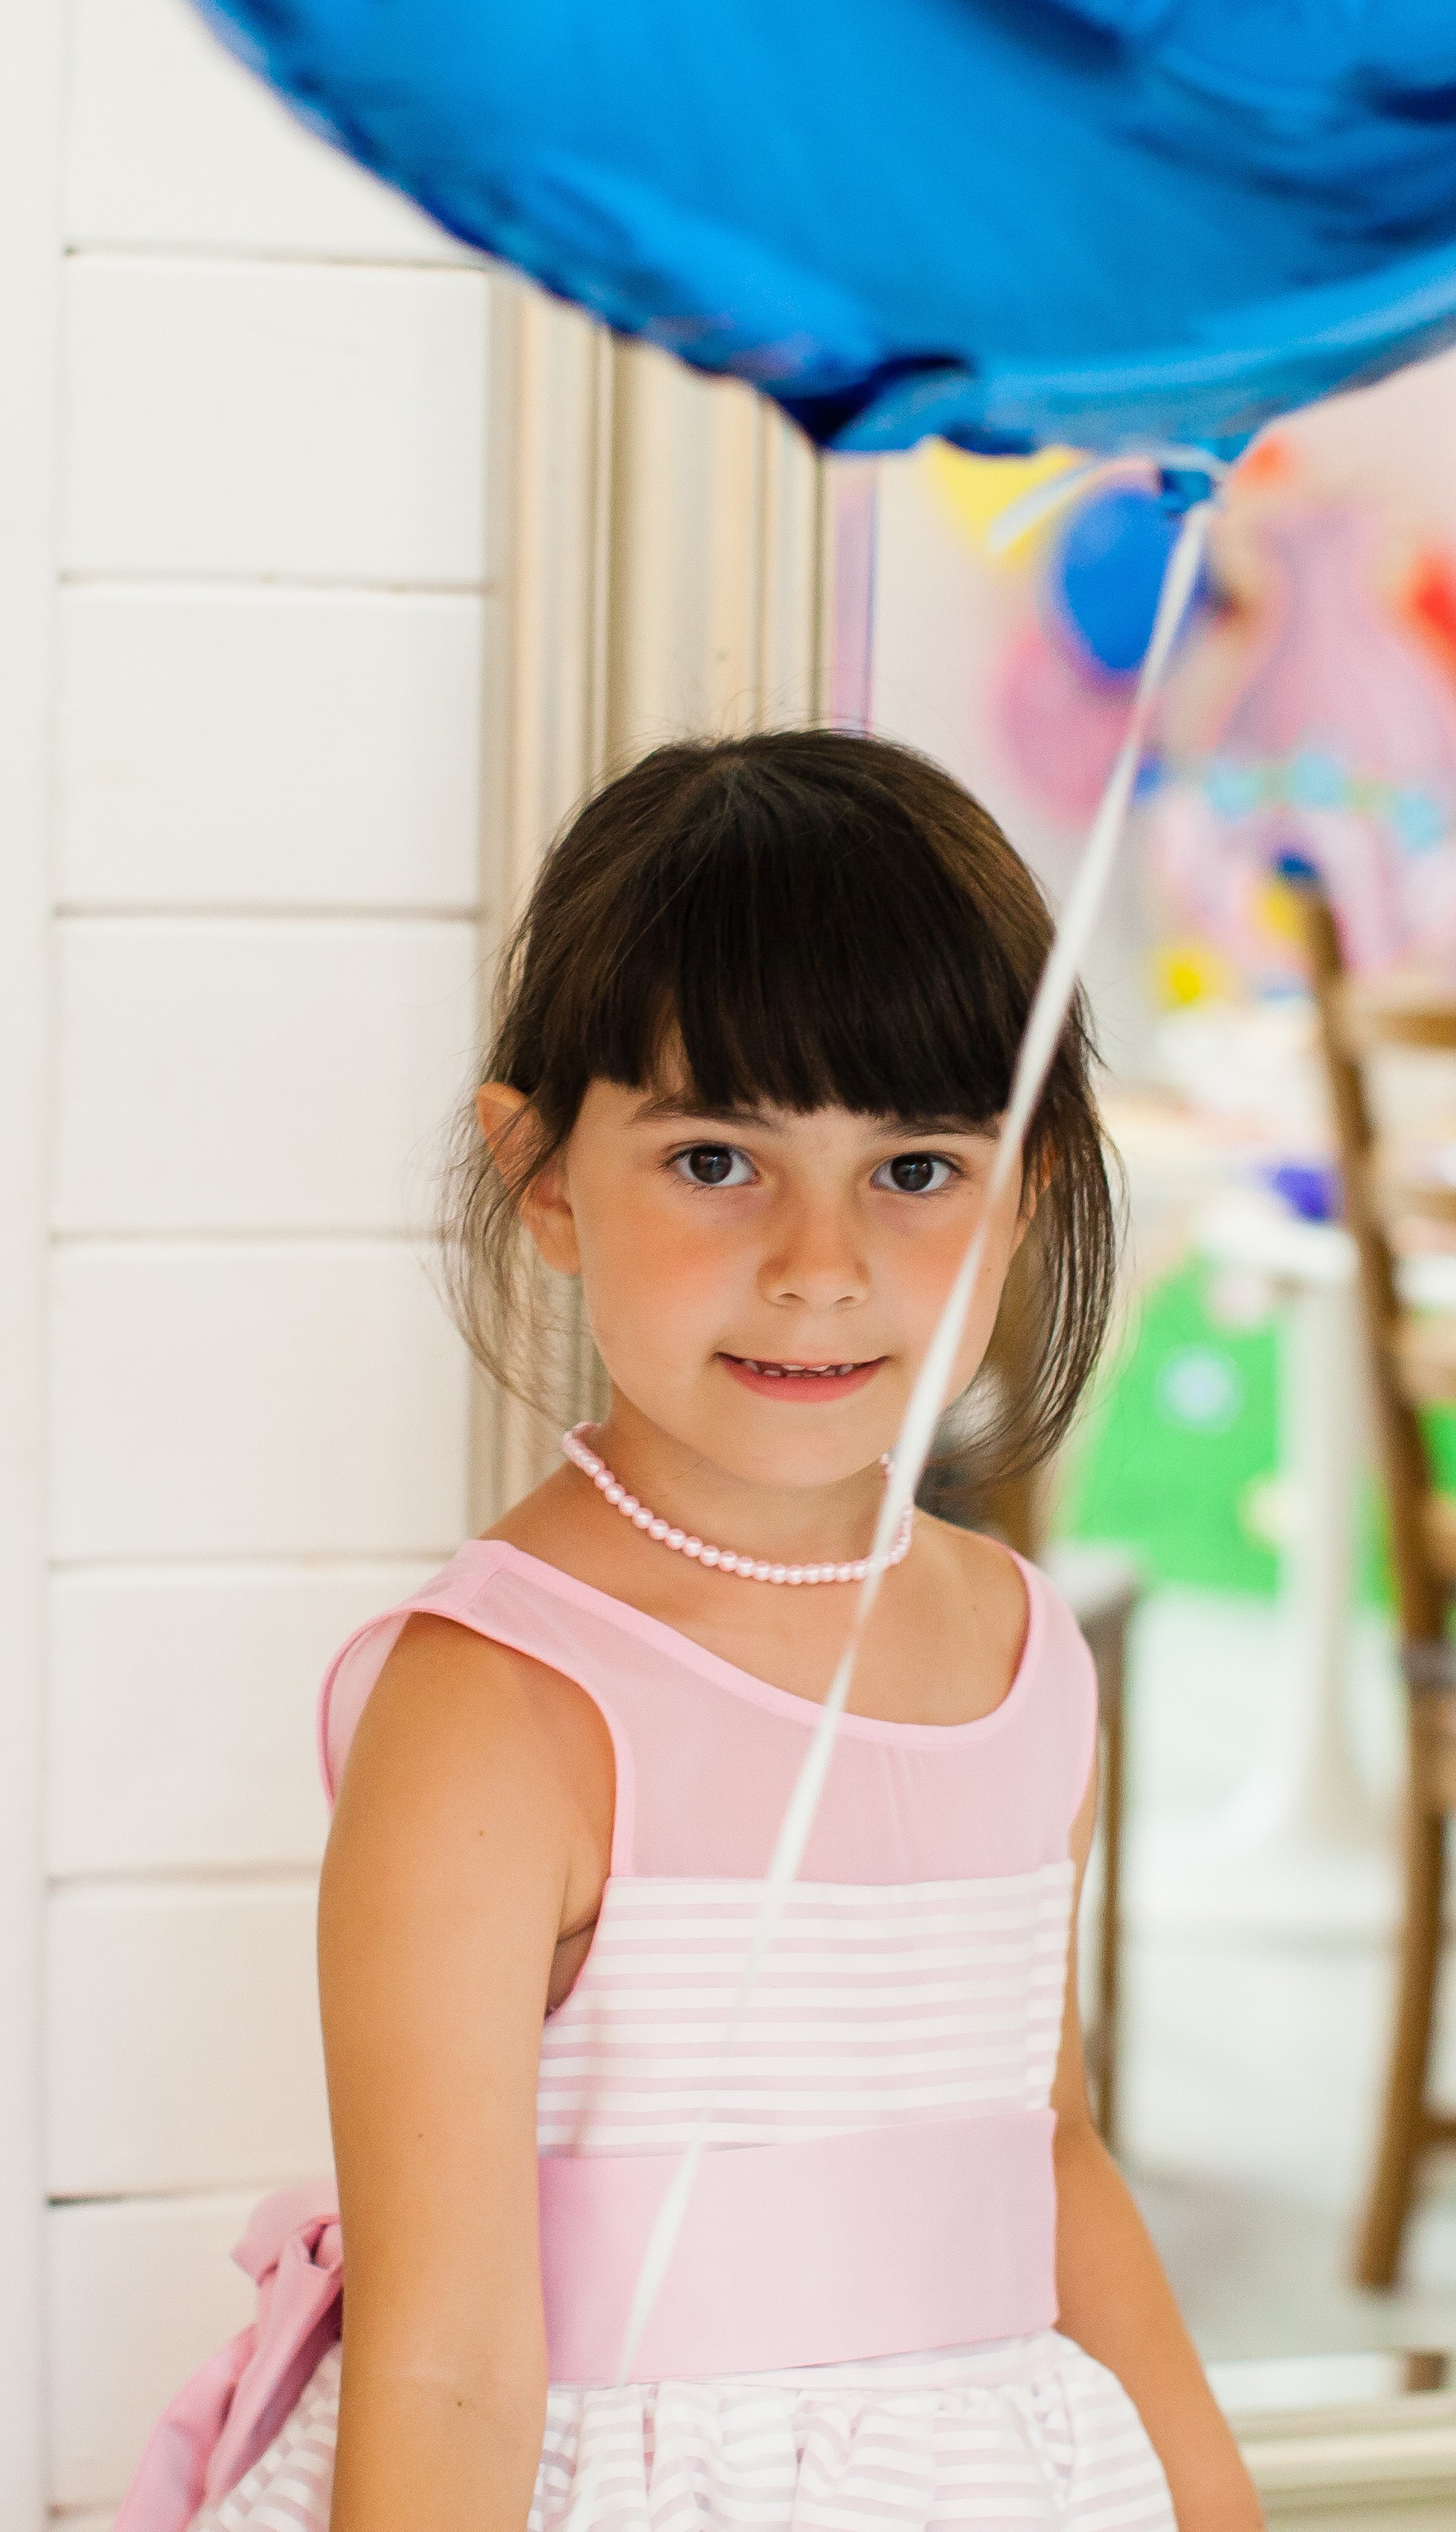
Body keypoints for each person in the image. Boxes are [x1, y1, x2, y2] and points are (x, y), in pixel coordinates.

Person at [146, 731, 1261, 2532]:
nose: (819, 1262)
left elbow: (1042, 2154)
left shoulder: (1021, 1656)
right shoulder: (499, 1713)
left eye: (914, 1168)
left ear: (1036, 1182)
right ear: (545, 1173)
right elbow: (446, 2366)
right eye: (717, 1157)